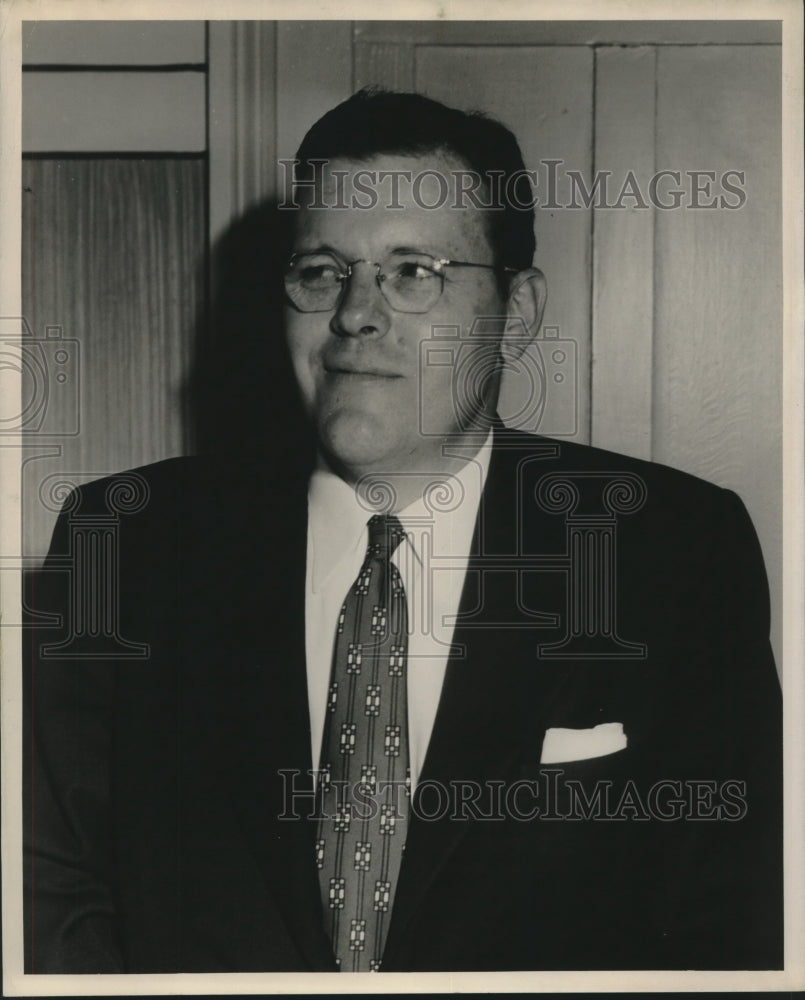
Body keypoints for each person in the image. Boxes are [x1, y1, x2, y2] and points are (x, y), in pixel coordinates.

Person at [24, 89, 782, 974]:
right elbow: (51, 888)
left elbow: (730, 921)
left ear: (519, 311)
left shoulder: (670, 552)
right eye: (320, 271)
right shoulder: (126, 544)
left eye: (412, 271)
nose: (354, 313)